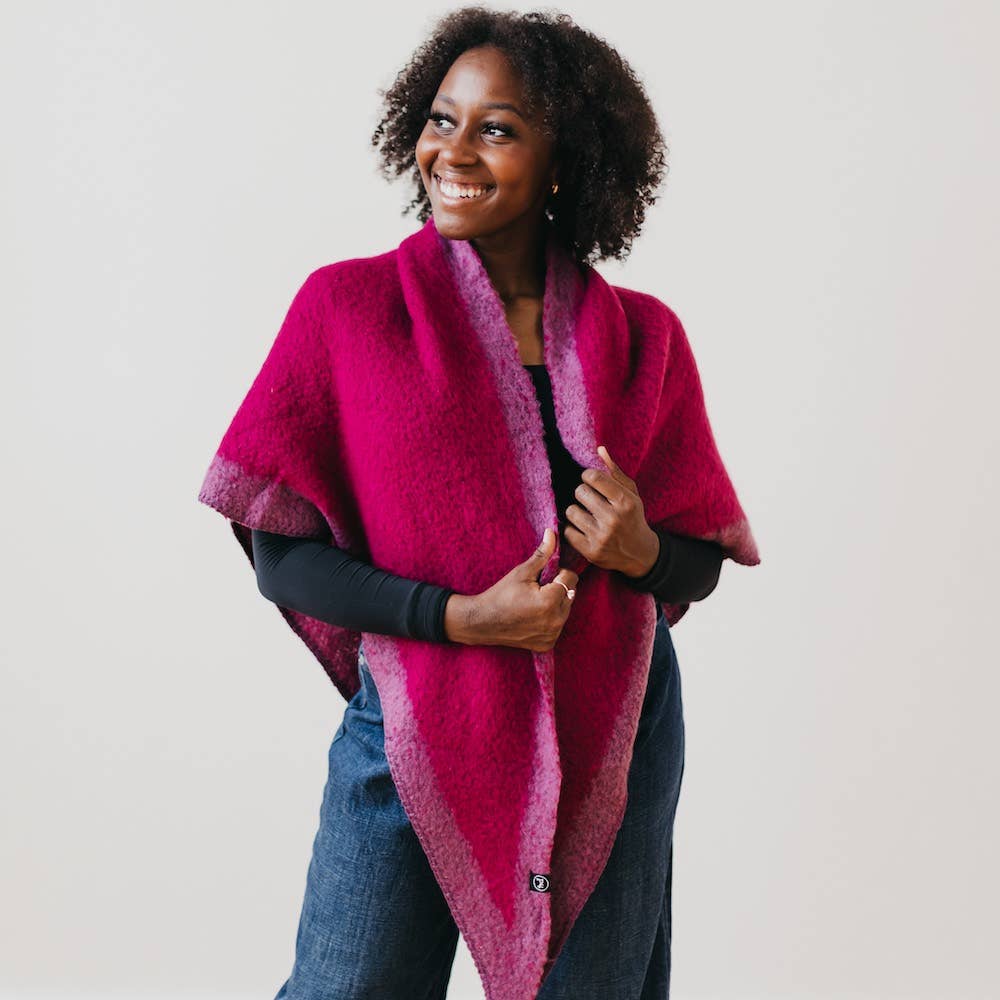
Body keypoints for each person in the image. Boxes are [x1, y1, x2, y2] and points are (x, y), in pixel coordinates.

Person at [199, 8, 759, 998]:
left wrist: (640, 553)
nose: (450, 149)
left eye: (495, 128)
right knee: (349, 981)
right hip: (417, 707)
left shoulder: (642, 337)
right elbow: (282, 553)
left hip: (612, 719)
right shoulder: (348, 309)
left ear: (563, 163)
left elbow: (694, 555)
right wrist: (461, 618)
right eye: (440, 118)